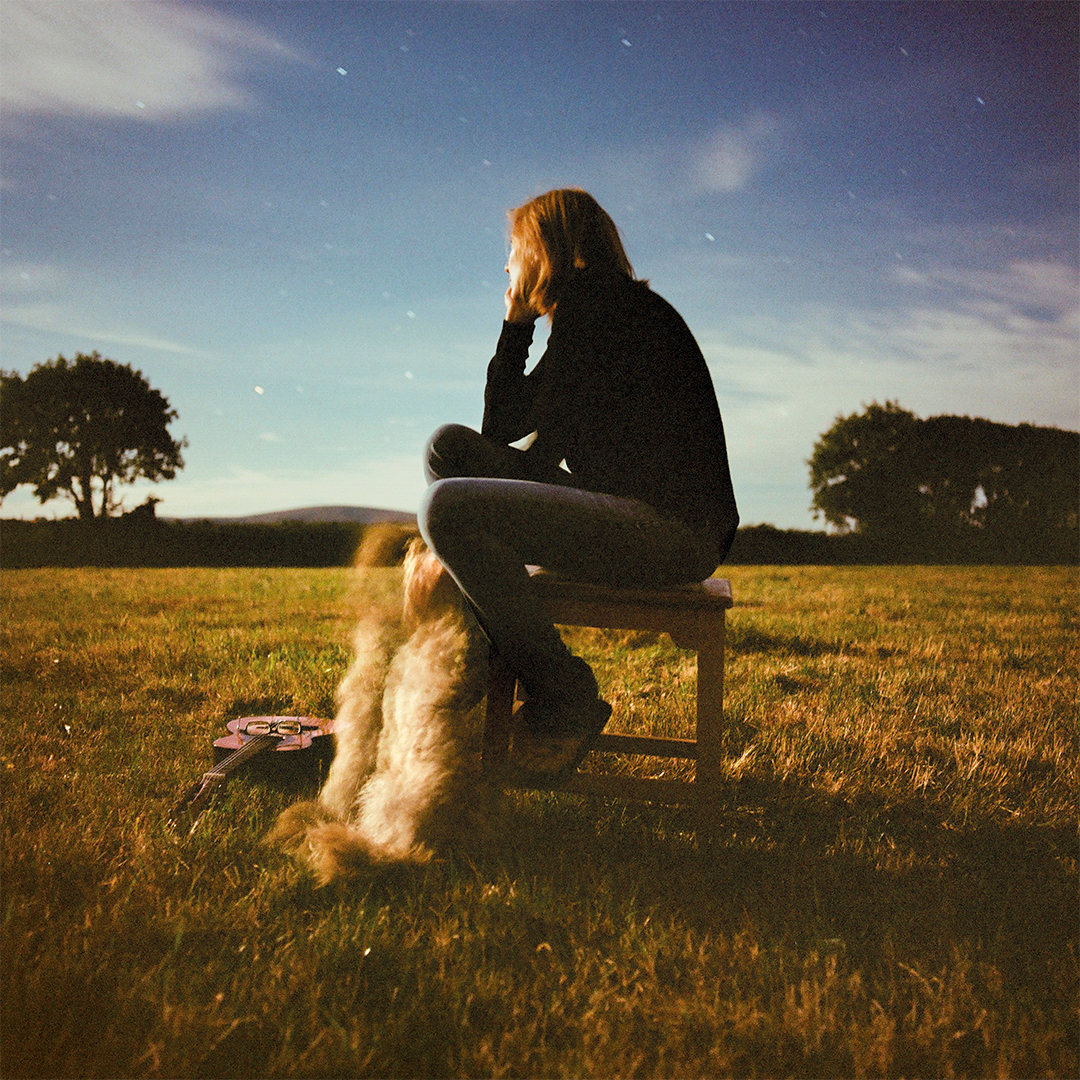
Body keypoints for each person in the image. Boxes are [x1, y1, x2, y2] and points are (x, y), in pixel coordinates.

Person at [419, 188, 738, 781]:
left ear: (543, 250)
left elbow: (530, 450)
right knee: (448, 448)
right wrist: (517, 325)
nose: (506, 266)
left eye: (514, 251)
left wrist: (515, 322)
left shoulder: (602, 309)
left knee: (446, 507)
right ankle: (487, 647)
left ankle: (562, 691)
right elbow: (502, 430)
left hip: (669, 533)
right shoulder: (592, 309)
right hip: (644, 518)